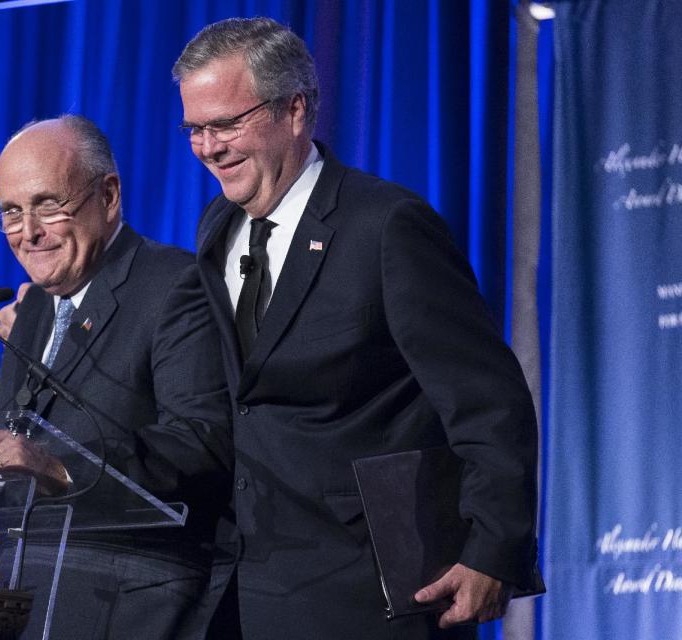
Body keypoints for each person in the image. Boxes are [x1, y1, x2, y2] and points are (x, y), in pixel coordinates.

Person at [169, 17, 540, 639]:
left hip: (370, 588)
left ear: (296, 110)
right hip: (248, 581)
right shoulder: (217, 228)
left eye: (228, 124)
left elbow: (489, 401)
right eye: (195, 130)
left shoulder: (387, 227)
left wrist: (492, 549)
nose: (209, 148)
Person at [0, 115, 233, 639]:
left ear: (108, 196)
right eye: (12, 213)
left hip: (130, 605)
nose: (29, 233)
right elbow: (1, 437)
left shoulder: (175, 285)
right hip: (23, 602)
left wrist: (59, 469)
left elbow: (200, 444)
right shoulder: (37, 307)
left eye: (48, 205)